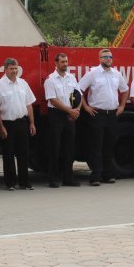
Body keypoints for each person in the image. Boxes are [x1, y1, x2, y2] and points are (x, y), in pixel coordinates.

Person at [78, 48, 129, 186]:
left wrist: (122, 106)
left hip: (112, 114)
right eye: (105, 57)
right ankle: (95, 176)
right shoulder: (93, 73)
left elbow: (124, 90)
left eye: (110, 57)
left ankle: (108, 174)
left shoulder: (116, 74)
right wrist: (86, 107)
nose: (108, 59)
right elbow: (79, 89)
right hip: (97, 115)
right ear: (99, 58)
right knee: (96, 146)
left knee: (109, 146)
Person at [0, 58, 37, 191]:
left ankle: (24, 182)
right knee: (8, 154)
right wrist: (1, 126)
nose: (14, 71)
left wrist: (32, 123)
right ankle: (10, 183)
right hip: (8, 124)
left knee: (23, 153)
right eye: (11, 69)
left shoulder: (23, 83)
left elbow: (29, 104)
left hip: (22, 122)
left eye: (16, 68)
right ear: (5, 69)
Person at [43, 53, 82, 188]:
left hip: (71, 116)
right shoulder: (50, 80)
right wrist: (69, 111)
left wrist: (76, 110)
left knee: (69, 148)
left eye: (66, 61)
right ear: (56, 63)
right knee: (55, 148)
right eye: (62, 62)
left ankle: (68, 178)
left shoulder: (71, 77)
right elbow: (52, 100)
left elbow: (78, 95)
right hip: (56, 115)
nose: (65, 64)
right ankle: (53, 178)